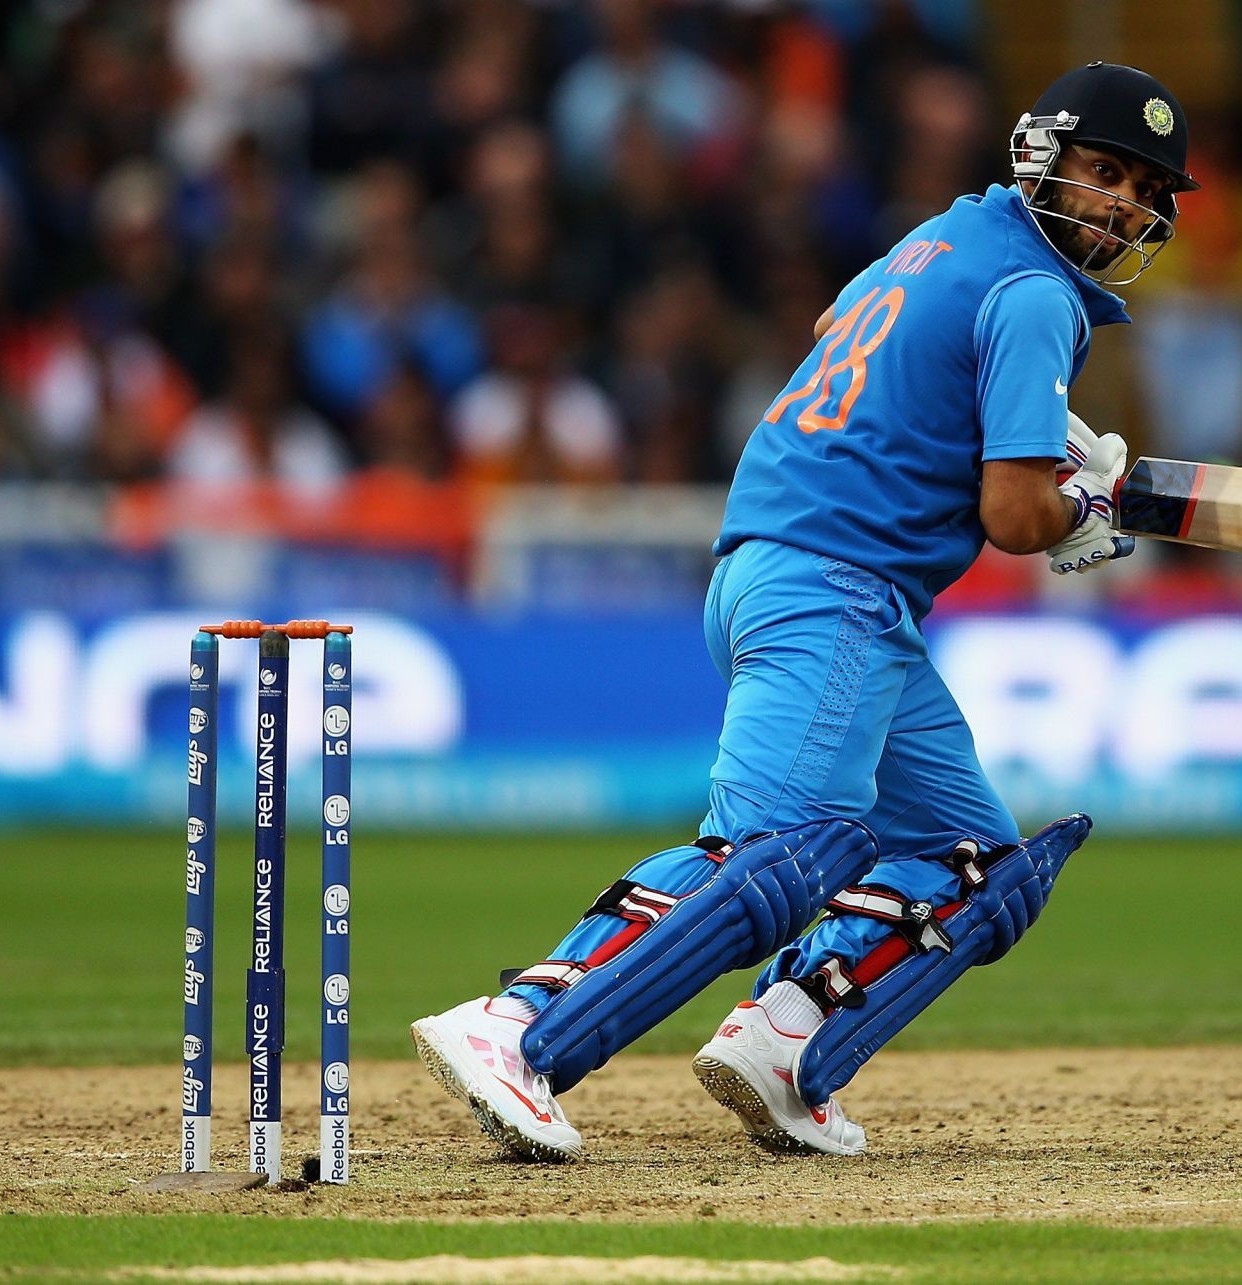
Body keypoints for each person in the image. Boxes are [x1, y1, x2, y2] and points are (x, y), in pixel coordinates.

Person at [411, 62, 1198, 1161]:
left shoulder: (937, 240)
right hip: (835, 582)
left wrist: (1040, 444)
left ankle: (787, 1042)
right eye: (1102, 169)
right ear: (1040, 158)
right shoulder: (1035, 296)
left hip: (789, 571)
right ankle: (516, 1027)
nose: (1118, 201)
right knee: (774, 854)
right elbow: (1016, 516)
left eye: (1140, 187)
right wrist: (1082, 501)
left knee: (969, 856)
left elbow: (847, 325)